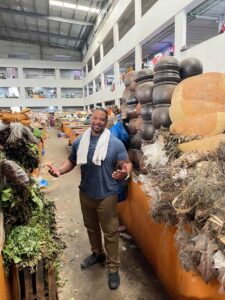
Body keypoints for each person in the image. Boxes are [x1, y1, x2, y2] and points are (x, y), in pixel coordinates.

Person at [48, 107, 132, 290]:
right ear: (90, 118)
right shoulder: (80, 142)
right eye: (95, 118)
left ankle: (113, 268)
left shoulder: (114, 143)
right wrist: (59, 171)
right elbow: (71, 161)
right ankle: (97, 254)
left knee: (110, 233)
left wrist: (124, 173)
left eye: (102, 119)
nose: (98, 122)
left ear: (106, 121)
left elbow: (126, 163)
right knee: (91, 228)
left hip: (107, 196)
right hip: (85, 193)